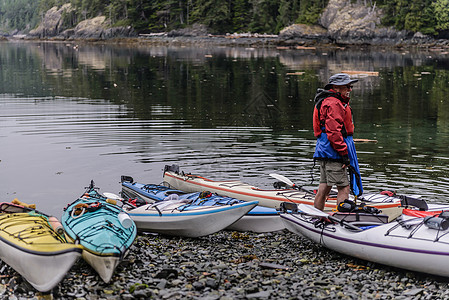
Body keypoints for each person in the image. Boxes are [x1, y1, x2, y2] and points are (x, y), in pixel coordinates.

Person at [312, 73, 363, 211]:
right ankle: (343, 220)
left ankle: (316, 215)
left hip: (324, 151)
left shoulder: (328, 100)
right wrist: (344, 154)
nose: (350, 89)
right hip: (333, 153)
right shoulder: (334, 104)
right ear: (336, 87)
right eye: (347, 86)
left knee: (324, 186)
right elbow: (334, 133)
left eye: (350, 86)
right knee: (344, 187)